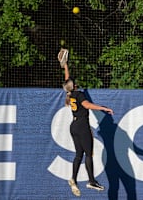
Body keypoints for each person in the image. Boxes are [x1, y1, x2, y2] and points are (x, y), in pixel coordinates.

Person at [58, 49, 114, 197]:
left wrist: (66, 66)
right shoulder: (79, 94)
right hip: (82, 126)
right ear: (75, 85)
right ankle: (91, 181)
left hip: (74, 126)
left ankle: (73, 179)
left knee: (79, 155)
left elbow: (67, 80)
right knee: (88, 154)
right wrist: (103, 108)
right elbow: (88, 105)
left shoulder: (70, 94)